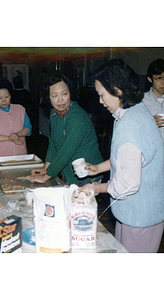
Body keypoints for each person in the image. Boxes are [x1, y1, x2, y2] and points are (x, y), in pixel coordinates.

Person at [84, 58, 164, 253]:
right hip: (135, 213)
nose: (100, 101)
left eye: (102, 95)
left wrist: (95, 188)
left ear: (118, 90)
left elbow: (126, 184)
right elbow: (131, 159)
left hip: (140, 219)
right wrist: (99, 167)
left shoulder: (130, 127)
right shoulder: (134, 110)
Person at [30, 74, 103, 186]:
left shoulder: (77, 119)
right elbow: (54, 141)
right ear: (48, 97)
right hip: (70, 172)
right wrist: (46, 167)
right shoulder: (54, 113)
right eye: (54, 96)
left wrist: (47, 176)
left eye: (64, 94)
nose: (60, 100)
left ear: (70, 93)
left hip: (88, 173)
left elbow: (66, 151)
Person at [0, 78, 32, 161]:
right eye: (0, 98)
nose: (4, 100)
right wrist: (10, 138)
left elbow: (28, 128)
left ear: (10, 95)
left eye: (6, 96)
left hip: (19, 154)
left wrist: (18, 134)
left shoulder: (20, 109)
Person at [142, 58, 164, 140]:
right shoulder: (141, 101)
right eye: (159, 78)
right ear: (150, 79)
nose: (163, 82)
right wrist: (149, 123)